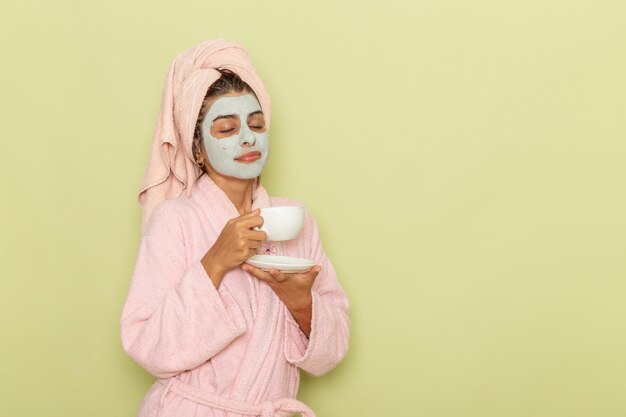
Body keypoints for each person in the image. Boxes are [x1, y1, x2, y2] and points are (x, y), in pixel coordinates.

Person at [120, 39, 350, 417]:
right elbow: (147, 345)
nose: (247, 137)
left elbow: (333, 350)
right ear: (197, 149)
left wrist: (300, 302)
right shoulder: (176, 220)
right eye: (226, 128)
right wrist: (214, 261)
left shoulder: (296, 219)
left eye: (256, 124)